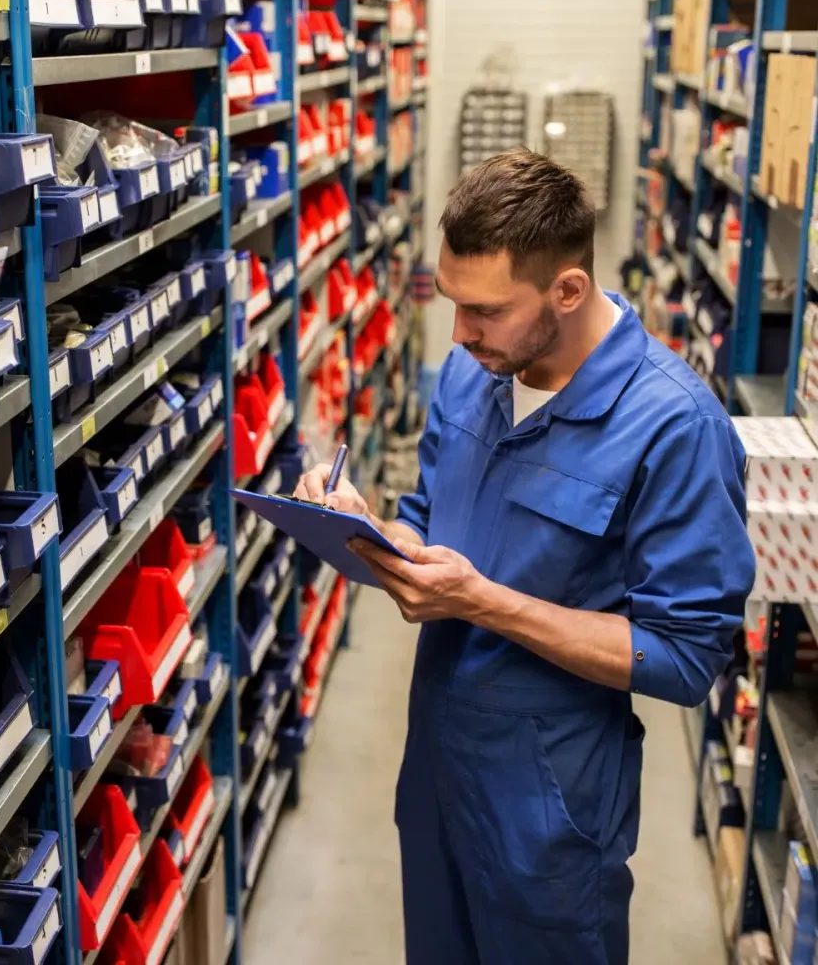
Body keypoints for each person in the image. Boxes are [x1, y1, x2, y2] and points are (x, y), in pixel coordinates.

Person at [294, 149, 755, 965]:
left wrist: (481, 602)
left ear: (567, 291)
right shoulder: (472, 375)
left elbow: (685, 658)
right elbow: (426, 522)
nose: (459, 333)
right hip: (438, 770)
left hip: (550, 809)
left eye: (486, 311)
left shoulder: (675, 426)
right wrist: (369, 534)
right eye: (451, 302)